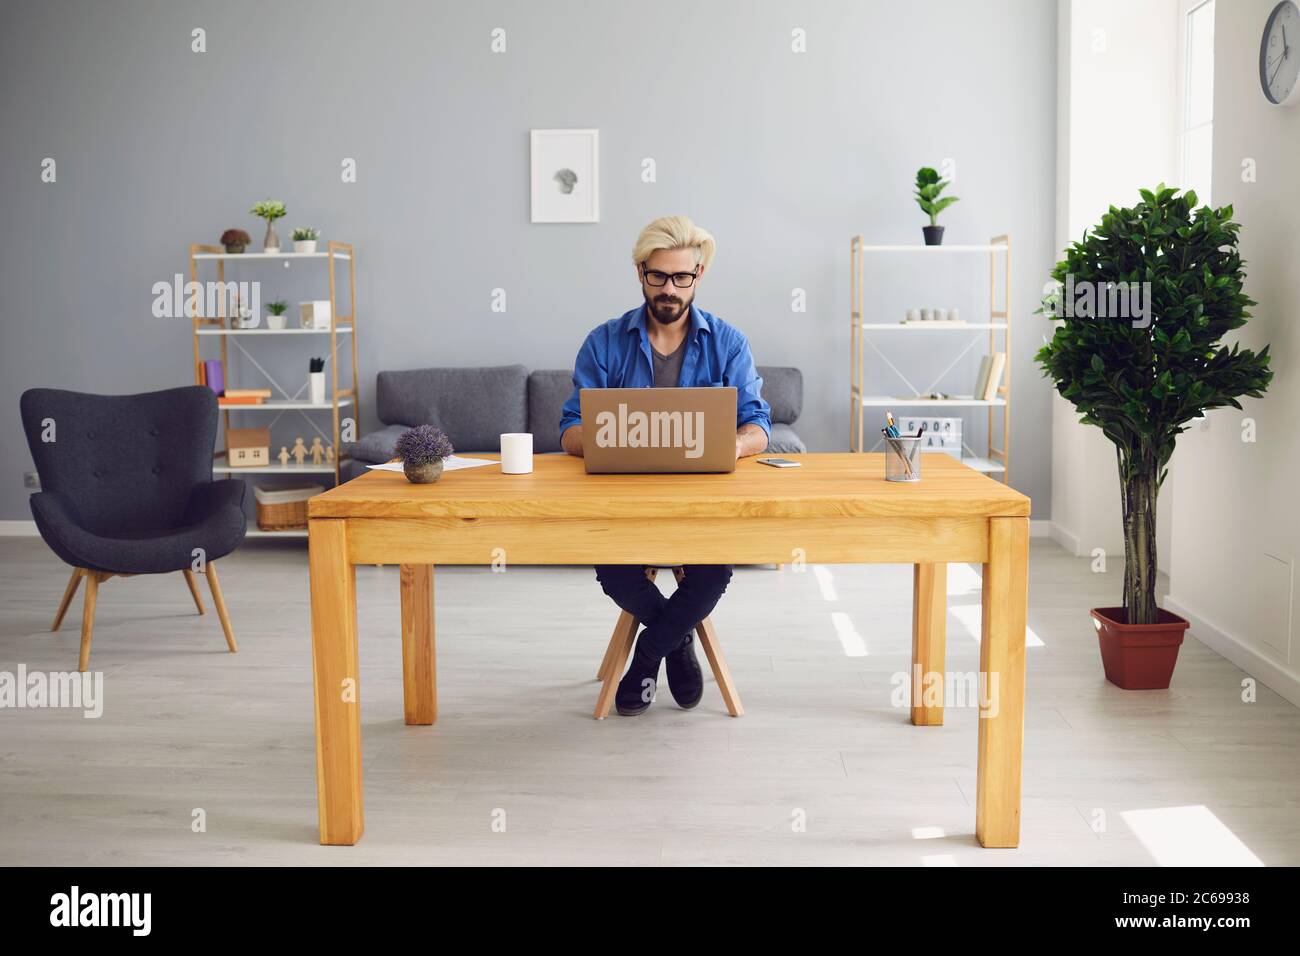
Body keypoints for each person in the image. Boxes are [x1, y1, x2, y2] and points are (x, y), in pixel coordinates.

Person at [559, 215, 771, 716]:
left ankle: (647, 654)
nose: (669, 290)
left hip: (703, 502)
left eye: (682, 278)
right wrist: (615, 440)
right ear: (640, 272)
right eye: (658, 277)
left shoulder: (728, 342)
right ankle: (677, 639)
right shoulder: (604, 342)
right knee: (614, 572)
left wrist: (729, 445)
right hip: (624, 501)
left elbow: (759, 425)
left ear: (698, 276)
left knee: (712, 572)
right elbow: (569, 430)